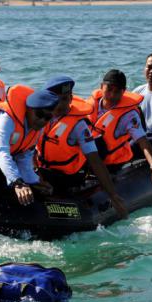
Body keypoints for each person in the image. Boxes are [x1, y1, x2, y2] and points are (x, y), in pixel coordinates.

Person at [36, 76, 129, 218]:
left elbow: (94, 160)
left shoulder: (79, 126)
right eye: (56, 99)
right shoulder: (40, 117)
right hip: (42, 171)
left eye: (65, 99)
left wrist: (113, 195)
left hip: (66, 177)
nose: (60, 105)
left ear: (71, 98)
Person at [88, 69, 152, 187]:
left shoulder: (129, 115)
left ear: (123, 91)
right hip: (88, 156)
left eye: (117, 92)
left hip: (111, 161)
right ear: (101, 86)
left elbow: (143, 141)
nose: (112, 95)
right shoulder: (90, 106)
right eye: (109, 89)